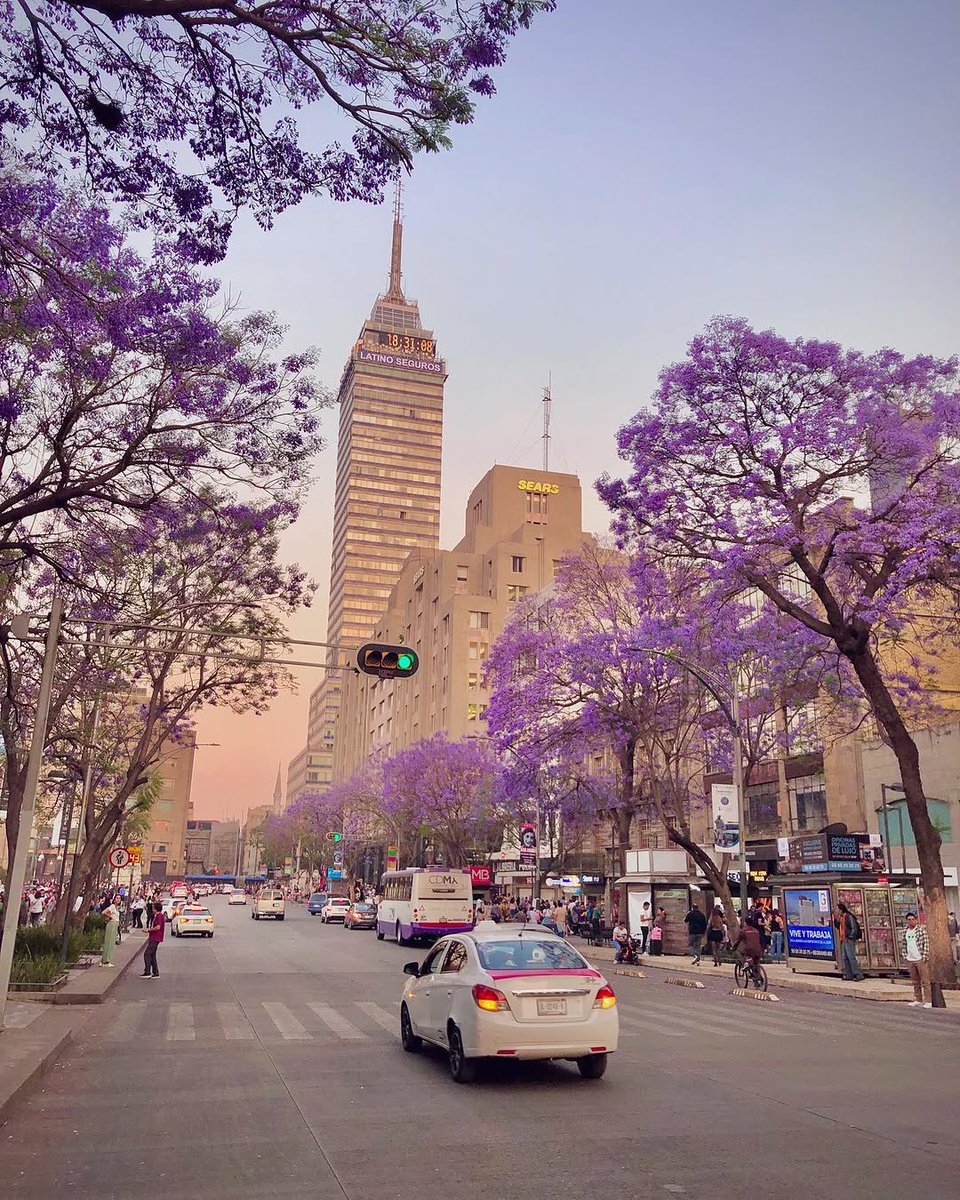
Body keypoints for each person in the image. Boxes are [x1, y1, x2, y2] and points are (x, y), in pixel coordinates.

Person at [901, 912, 931, 1007]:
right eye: (909, 920)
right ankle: (918, 999)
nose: (911, 921)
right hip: (910, 958)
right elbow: (904, 944)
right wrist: (905, 955)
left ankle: (928, 1000)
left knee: (925, 980)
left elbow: (926, 942)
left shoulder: (920, 930)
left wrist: (925, 956)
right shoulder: (906, 931)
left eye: (913, 919)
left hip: (920, 957)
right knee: (915, 980)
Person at [835, 902, 865, 981]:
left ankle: (858, 974)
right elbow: (839, 927)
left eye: (837, 909)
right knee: (845, 957)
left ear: (841, 910)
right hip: (844, 939)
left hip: (848, 939)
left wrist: (850, 936)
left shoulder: (849, 917)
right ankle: (849, 974)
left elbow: (854, 928)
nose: (836, 910)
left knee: (851, 957)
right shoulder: (841, 918)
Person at [141, 901, 165, 978]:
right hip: (154, 937)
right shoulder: (157, 915)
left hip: (155, 937)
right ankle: (155, 972)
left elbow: (158, 927)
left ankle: (147, 971)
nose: (152, 909)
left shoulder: (159, 916)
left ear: (156, 908)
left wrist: (149, 930)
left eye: (153, 908)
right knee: (152, 955)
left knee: (147, 954)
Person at [100, 896, 121, 966]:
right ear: (114, 899)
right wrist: (110, 917)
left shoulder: (116, 907)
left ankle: (104, 960)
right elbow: (103, 912)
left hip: (115, 924)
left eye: (119, 898)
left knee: (111, 942)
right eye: (117, 898)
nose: (118, 900)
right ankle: (106, 960)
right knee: (109, 942)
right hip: (112, 923)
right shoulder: (112, 906)